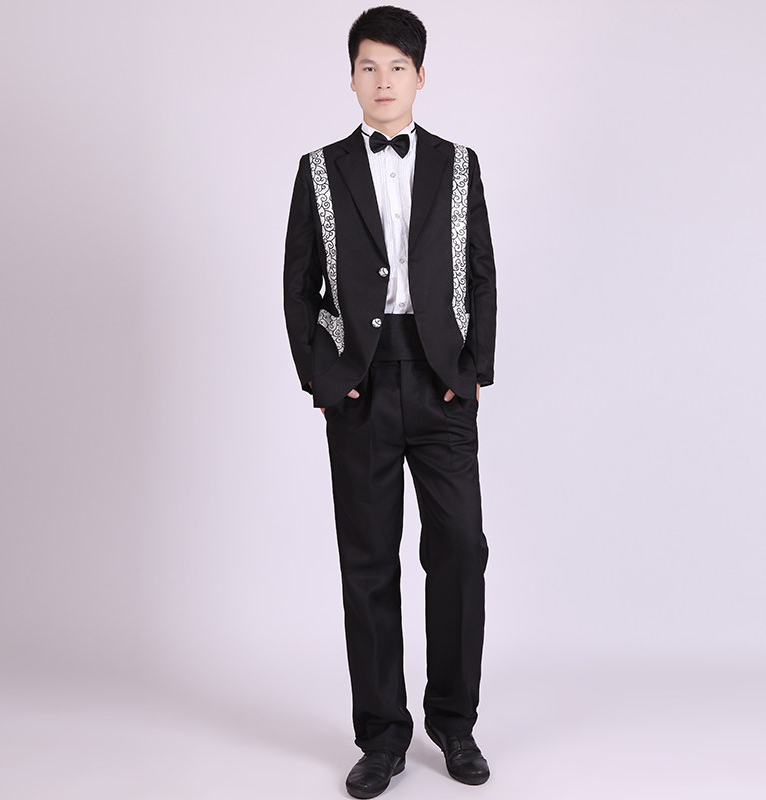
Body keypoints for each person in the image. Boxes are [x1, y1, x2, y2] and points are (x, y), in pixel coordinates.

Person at [283, 6, 497, 797]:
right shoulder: (318, 169)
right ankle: (381, 736)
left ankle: (456, 723)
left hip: (442, 383)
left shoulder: (460, 165)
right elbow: (298, 283)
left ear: (420, 76)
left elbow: (481, 271)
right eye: (369, 67)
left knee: (460, 550)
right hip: (361, 386)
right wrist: (326, 379)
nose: (383, 81)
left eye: (397, 67)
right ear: (351, 77)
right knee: (368, 562)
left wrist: (472, 372)